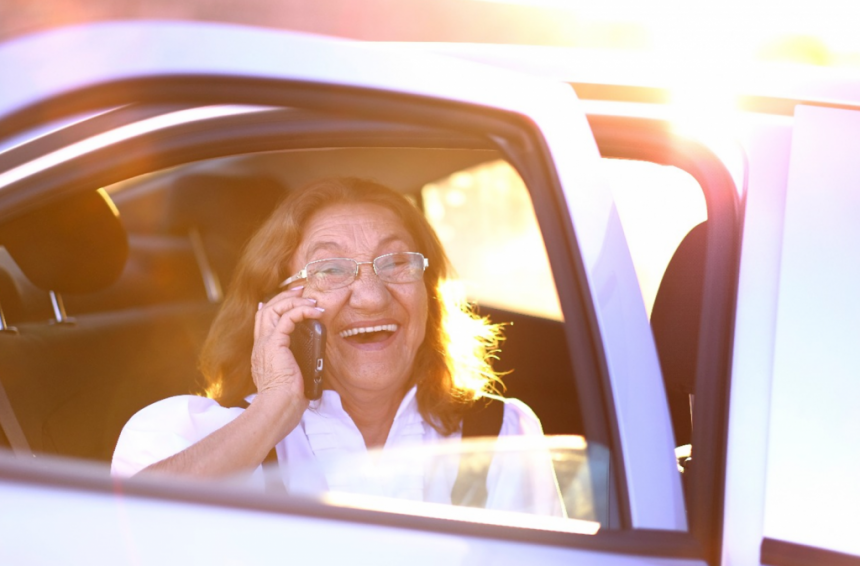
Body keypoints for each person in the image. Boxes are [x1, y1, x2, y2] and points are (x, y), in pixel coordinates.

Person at [112, 177, 563, 516]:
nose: (371, 297)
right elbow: (129, 529)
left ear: (428, 293)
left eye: (397, 263)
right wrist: (271, 411)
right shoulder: (180, 433)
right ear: (277, 306)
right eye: (330, 270)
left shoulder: (503, 432)